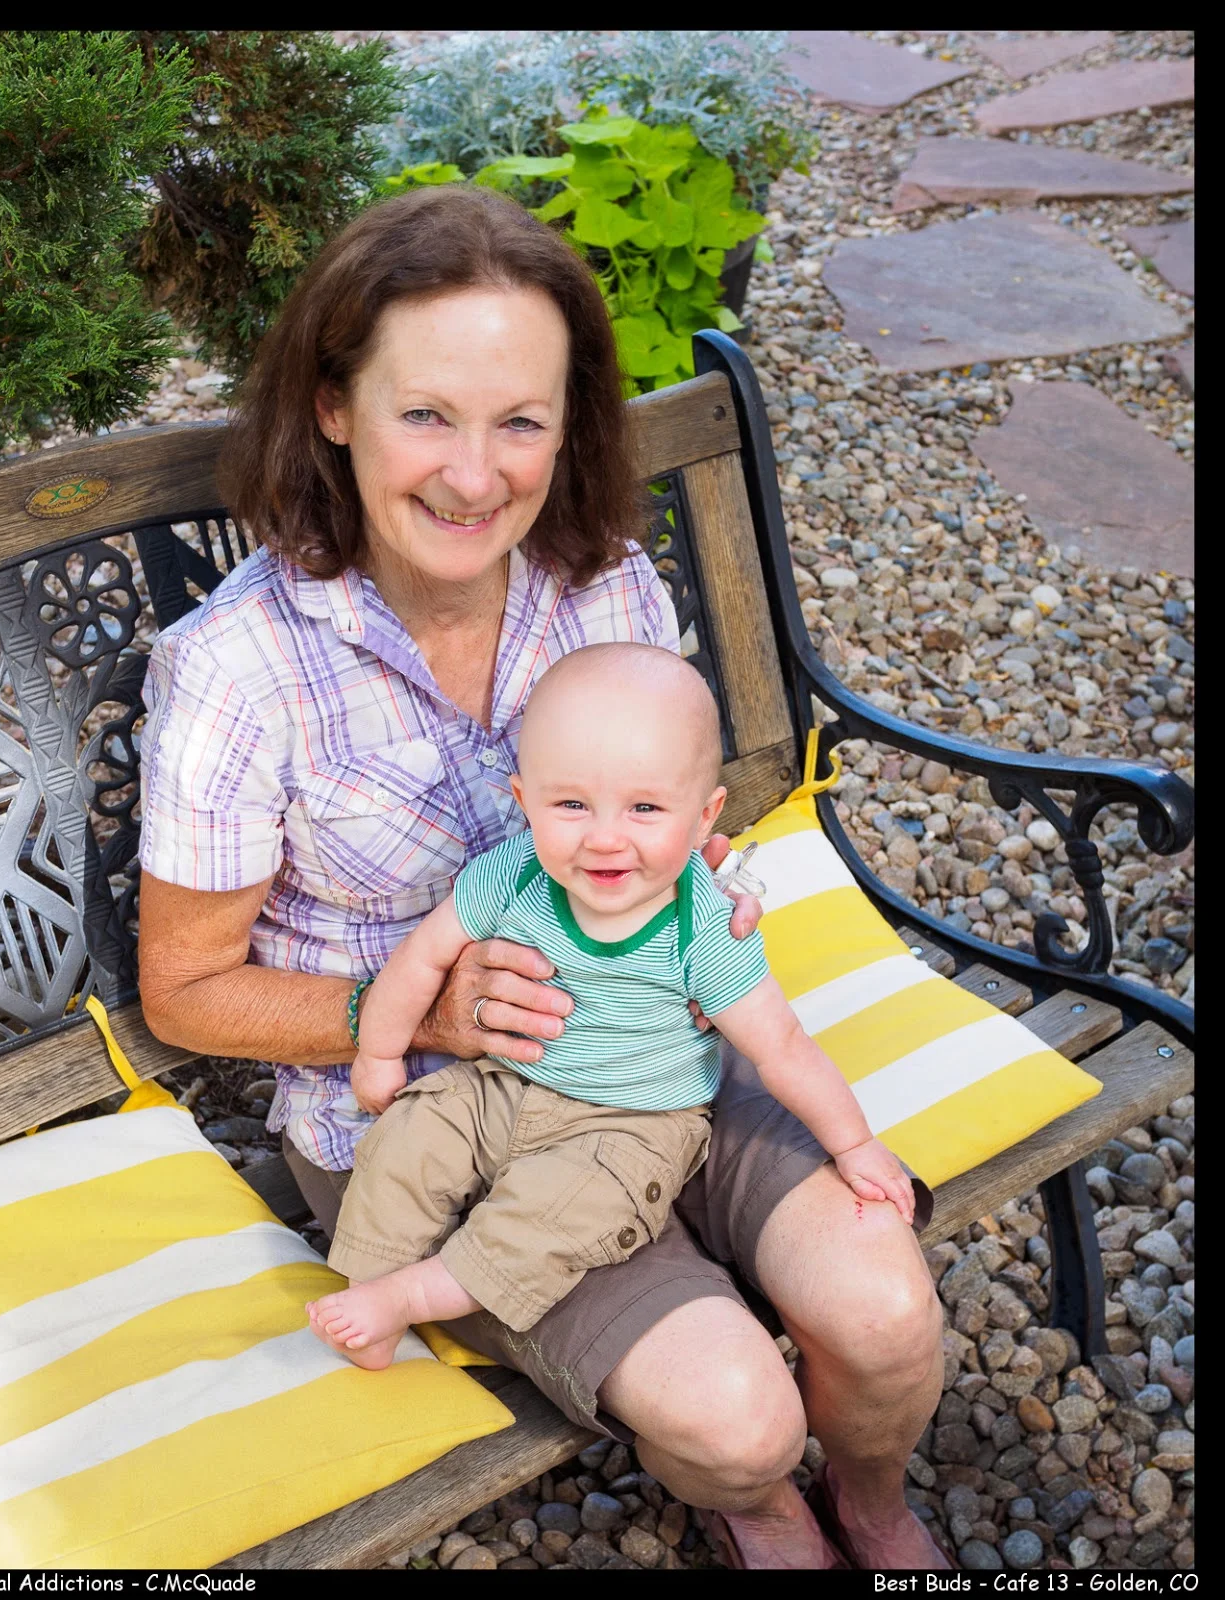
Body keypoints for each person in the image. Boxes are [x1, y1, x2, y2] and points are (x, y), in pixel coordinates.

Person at [138, 183, 949, 1570]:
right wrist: (423, 1013)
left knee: (883, 1317)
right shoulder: (239, 671)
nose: (475, 477)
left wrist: (691, 863)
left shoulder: (599, 583)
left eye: (519, 420)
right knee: (740, 1420)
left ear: (568, 423)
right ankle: (759, 1506)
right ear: (333, 407)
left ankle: (870, 1503)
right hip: (438, 1126)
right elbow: (185, 991)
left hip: (668, 1060)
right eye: (426, 414)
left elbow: (661, 799)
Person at [306, 642, 917, 1368]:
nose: (603, 838)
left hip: (631, 1124)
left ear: (704, 817)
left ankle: (412, 1296)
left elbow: (780, 1046)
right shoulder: (513, 874)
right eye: (570, 805)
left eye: (644, 808)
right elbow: (423, 958)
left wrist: (853, 1145)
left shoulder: (701, 927)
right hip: (503, 1082)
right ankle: (369, 1293)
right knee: (410, 1134)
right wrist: (379, 1051)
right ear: (523, 801)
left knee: (557, 1212)